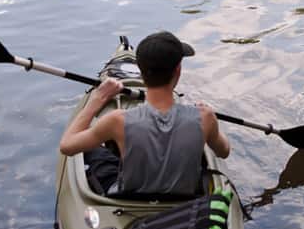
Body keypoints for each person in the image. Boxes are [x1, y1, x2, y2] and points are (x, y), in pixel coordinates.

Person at [59, 31, 230, 196]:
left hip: (127, 196)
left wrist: (96, 100)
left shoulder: (116, 120)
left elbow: (67, 146)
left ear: (140, 72)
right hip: (184, 199)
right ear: (178, 70)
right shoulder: (205, 118)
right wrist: (208, 115)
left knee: (97, 152)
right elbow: (223, 151)